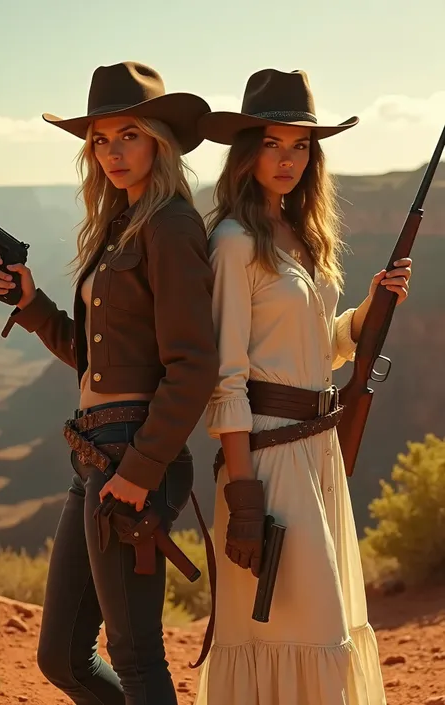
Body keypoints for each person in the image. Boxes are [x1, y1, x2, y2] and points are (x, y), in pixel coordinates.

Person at [0, 61, 219, 705]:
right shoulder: (120, 224)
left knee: (136, 653)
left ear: (159, 142)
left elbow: (194, 363)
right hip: (94, 451)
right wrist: (35, 308)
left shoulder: (171, 226)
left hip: (136, 453)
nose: (113, 152)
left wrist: (143, 469)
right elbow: (100, 360)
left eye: (128, 135)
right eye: (100, 140)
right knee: (62, 657)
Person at [193, 68, 412, 705]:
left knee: (327, 630)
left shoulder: (304, 237)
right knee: (293, 630)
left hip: (320, 451)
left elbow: (325, 350)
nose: (287, 160)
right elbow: (226, 377)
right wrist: (244, 493)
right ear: (247, 152)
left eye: (301, 146)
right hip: (266, 456)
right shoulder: (233, 244)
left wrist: (371, 307)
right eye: (272, 144)